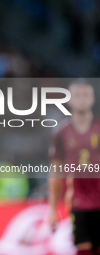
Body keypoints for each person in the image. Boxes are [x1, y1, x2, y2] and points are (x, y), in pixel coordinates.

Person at [48, 81, 100, 255]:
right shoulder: (61, 133)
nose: (82, 100)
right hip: (78, 202)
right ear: (70, 100)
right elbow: (55, 171)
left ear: (93, 99)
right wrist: (53, 209)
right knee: (83, 248)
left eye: (86, 95)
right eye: (77, 95)